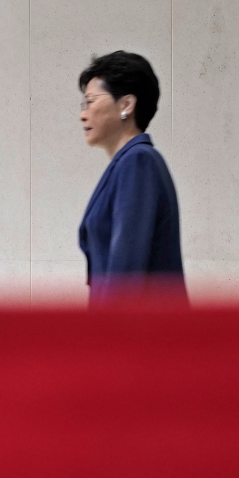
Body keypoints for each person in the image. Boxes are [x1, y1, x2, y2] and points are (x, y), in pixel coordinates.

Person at [77, 51, 188, 307]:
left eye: (91, 101)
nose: (83, 114)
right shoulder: (127, 164)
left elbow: (125, 272)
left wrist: (105, 339)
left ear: (126, 104)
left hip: (141, 339)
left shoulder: (138, 162)